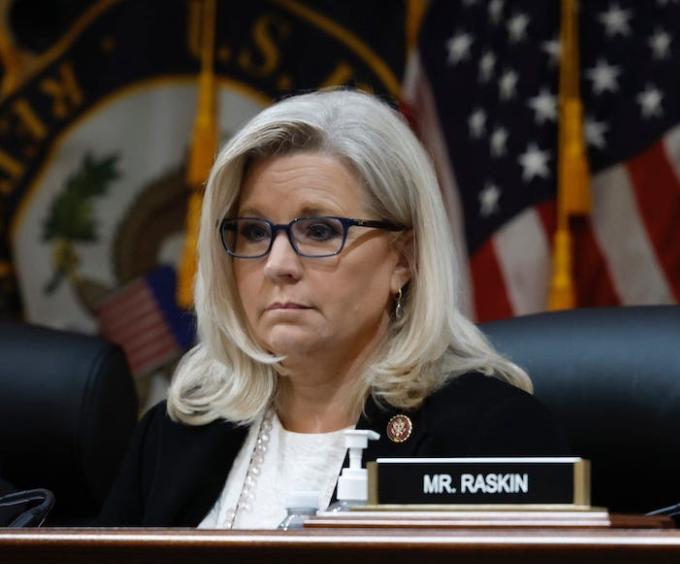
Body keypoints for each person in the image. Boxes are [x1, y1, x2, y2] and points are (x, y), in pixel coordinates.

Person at [98, 89, 568, 528]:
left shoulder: (490, 438)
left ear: (404, 259)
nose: (278, 264)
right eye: (256, 233)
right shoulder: (176, 434)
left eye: (320, 231)